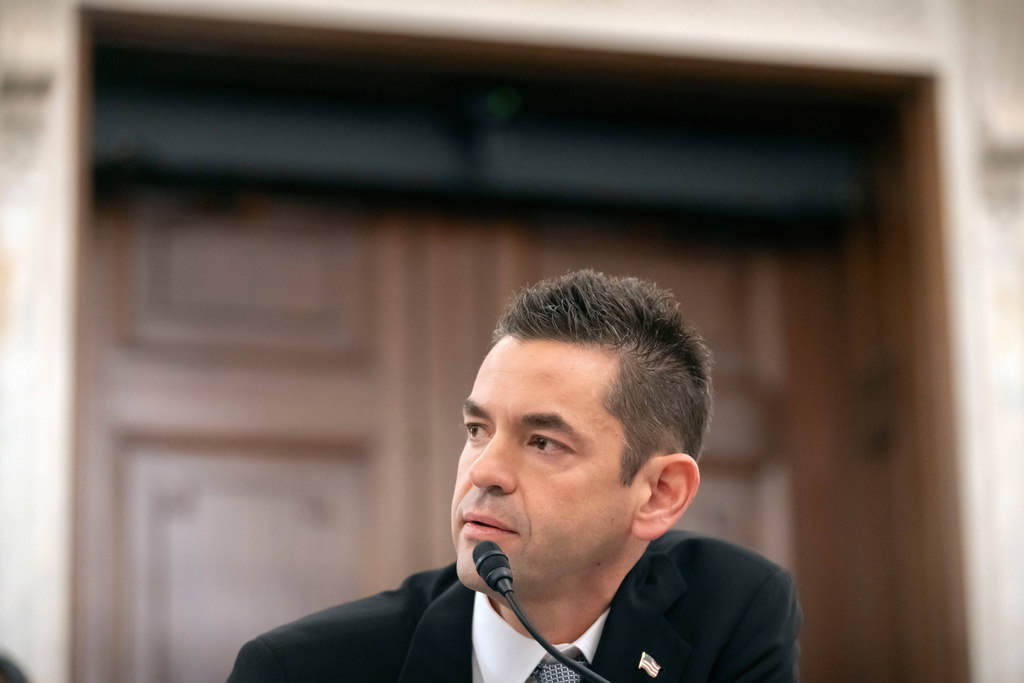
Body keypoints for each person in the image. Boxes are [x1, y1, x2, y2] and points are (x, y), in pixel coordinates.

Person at [228, 270, 801, 683]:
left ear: (658, 494)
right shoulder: (297, 671)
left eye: (544, 442)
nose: (483, 470)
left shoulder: (732, 608)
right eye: (478, 430)